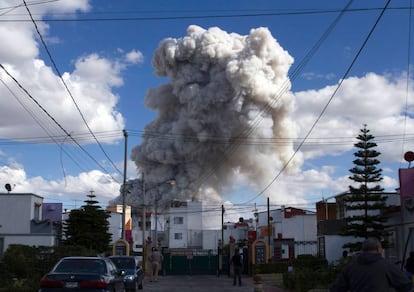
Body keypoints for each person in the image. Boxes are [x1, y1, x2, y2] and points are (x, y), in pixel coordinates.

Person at [330, 238, 412, 292]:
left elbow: (336, 289)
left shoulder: (350, 267)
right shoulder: (387, 265)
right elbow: (406, 286)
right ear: (378, 249)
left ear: (363, 250)